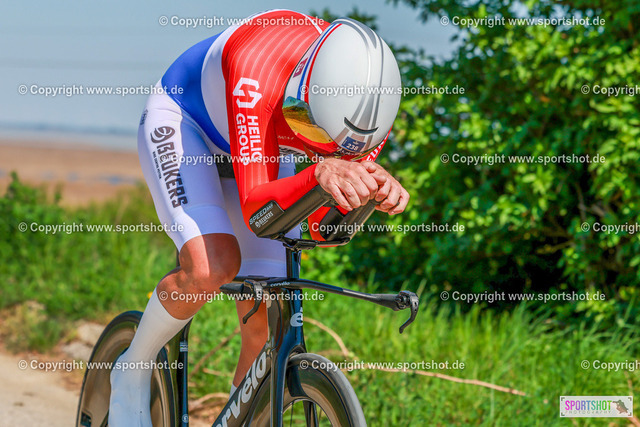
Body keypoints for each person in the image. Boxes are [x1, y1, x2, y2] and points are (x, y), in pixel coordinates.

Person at [108, 9, 409, 426]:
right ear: (303, 90)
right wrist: (318, 174)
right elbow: (258, 212)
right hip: (188, 123)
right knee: (212, 265)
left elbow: (318, 228)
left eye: (331, 146)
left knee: (268, 310)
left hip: (266, 146)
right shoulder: (257, 64)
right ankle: (132, 366)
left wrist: (367, 197)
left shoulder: (368, 116)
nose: (320, 149)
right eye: (314, 132)